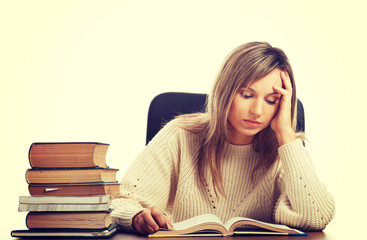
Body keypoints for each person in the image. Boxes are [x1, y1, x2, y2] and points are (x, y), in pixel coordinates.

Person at [110, 41, 335, 235]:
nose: (257, 110)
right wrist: (137, 216)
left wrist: (286, 134)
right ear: (225, 91)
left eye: (271, 100)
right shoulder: (179, 135)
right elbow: (119, 200)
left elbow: (316, 216)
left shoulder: (285, 151)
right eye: (247, 95)